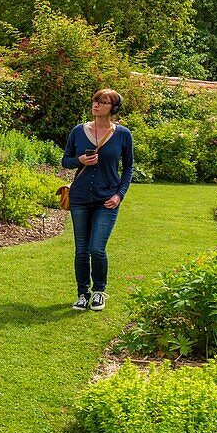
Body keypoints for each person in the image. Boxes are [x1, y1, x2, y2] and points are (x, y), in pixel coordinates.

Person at [61, 88, 135, 312]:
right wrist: (80, 159)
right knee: (81, 250)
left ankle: (99, 291)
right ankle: (83, 294)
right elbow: (66, 161)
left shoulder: (123, 134)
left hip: (107, 200)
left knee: (97, 249)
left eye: (102, 102)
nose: (96, 105)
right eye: (95, 100)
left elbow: (129, 168)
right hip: (80, 198)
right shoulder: (78, 131)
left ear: (113, 108)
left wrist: (119, 195)